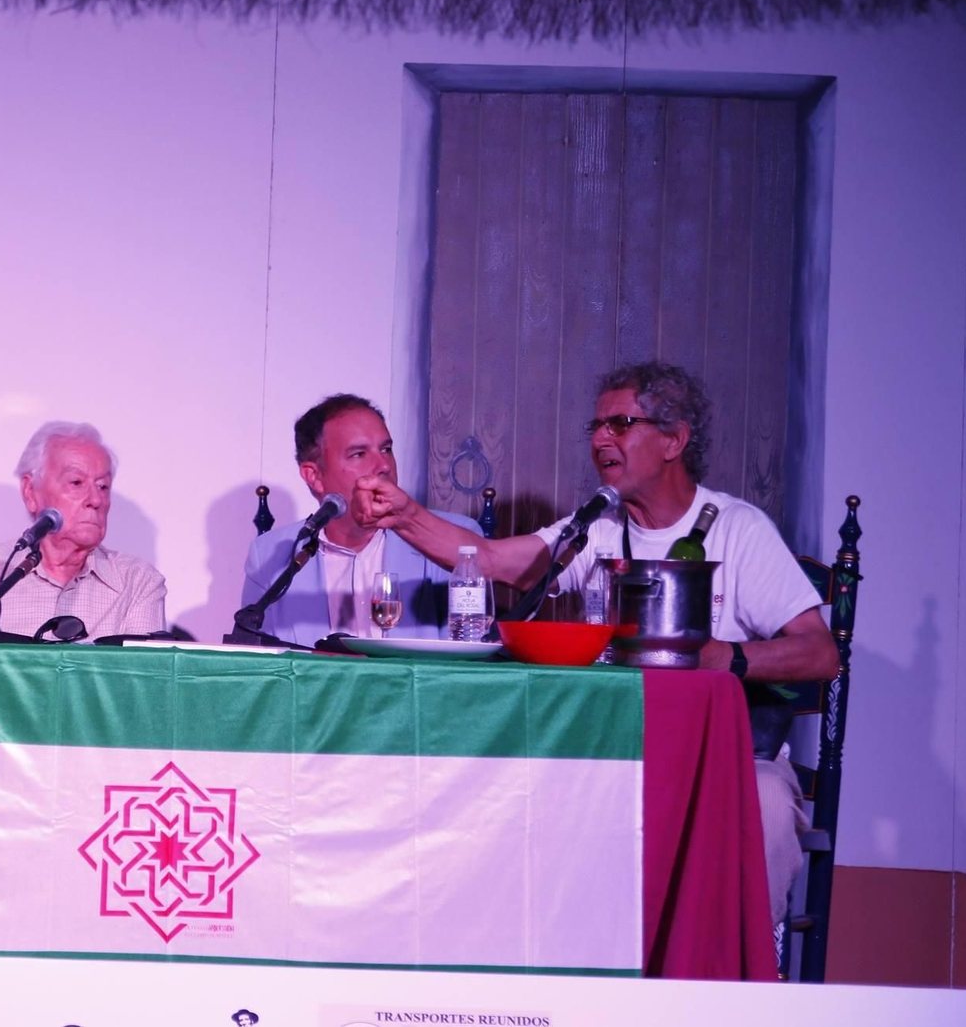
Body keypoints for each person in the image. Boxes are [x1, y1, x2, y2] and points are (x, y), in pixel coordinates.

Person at [352, 361, 838, 925]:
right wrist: (404, 514)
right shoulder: (599, 529)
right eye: (596, 426)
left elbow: (820, 653)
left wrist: (721, 658)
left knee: (769, 805)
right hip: (621, 750)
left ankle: (735, 976)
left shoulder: (737, 529)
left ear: (674, 439)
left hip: (729, 755)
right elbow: (489, 561)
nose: (602, 439)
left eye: (621, 424)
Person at [241, 394, 482, 648]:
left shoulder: (454, 541)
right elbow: (258, 664)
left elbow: (469, 663)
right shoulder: (268, 556)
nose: (383, 465)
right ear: (314, 476)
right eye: (359, 454)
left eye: (386, 449)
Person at [0, 421, 166, 639]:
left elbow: (142, 681)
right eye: (76, 483)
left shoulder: (138, 583)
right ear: (30, 492)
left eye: (103, 486)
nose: (95, 499)